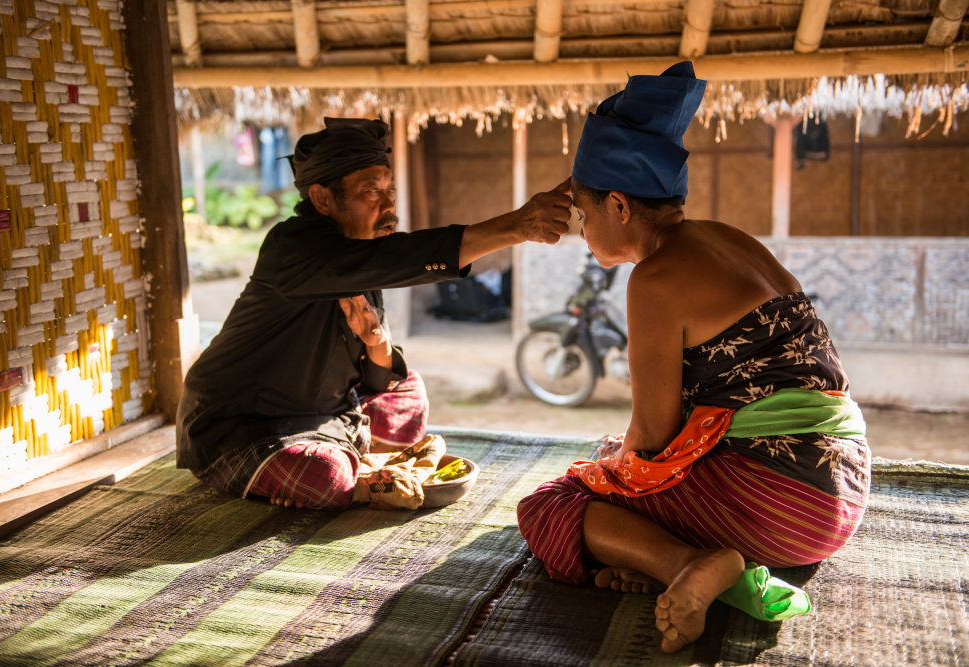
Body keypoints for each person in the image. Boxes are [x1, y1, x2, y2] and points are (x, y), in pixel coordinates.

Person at [516, 63, 871, 653]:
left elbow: (654, 437)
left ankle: (689, 563)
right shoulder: (731, 239)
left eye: (583, 213)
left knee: (552, 503)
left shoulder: (654, 279)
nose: (582, 230)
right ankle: (672, 557)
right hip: (843, 486)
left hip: (783, 503)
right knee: (615, 467)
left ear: (620, 206)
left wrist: (612, 470)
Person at [177, 117, 572, 511]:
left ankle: (345, 467)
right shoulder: (292, 247)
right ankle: (356, 480)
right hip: (245, 427)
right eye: (371, 191)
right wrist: (516, 226)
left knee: (410, 392)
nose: (388, 205)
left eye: (390, 190)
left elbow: (376, 374)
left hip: (325, 415)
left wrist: (377, 341)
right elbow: (406, 255)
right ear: (323, 200)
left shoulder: (364, 252)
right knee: (324, 475)